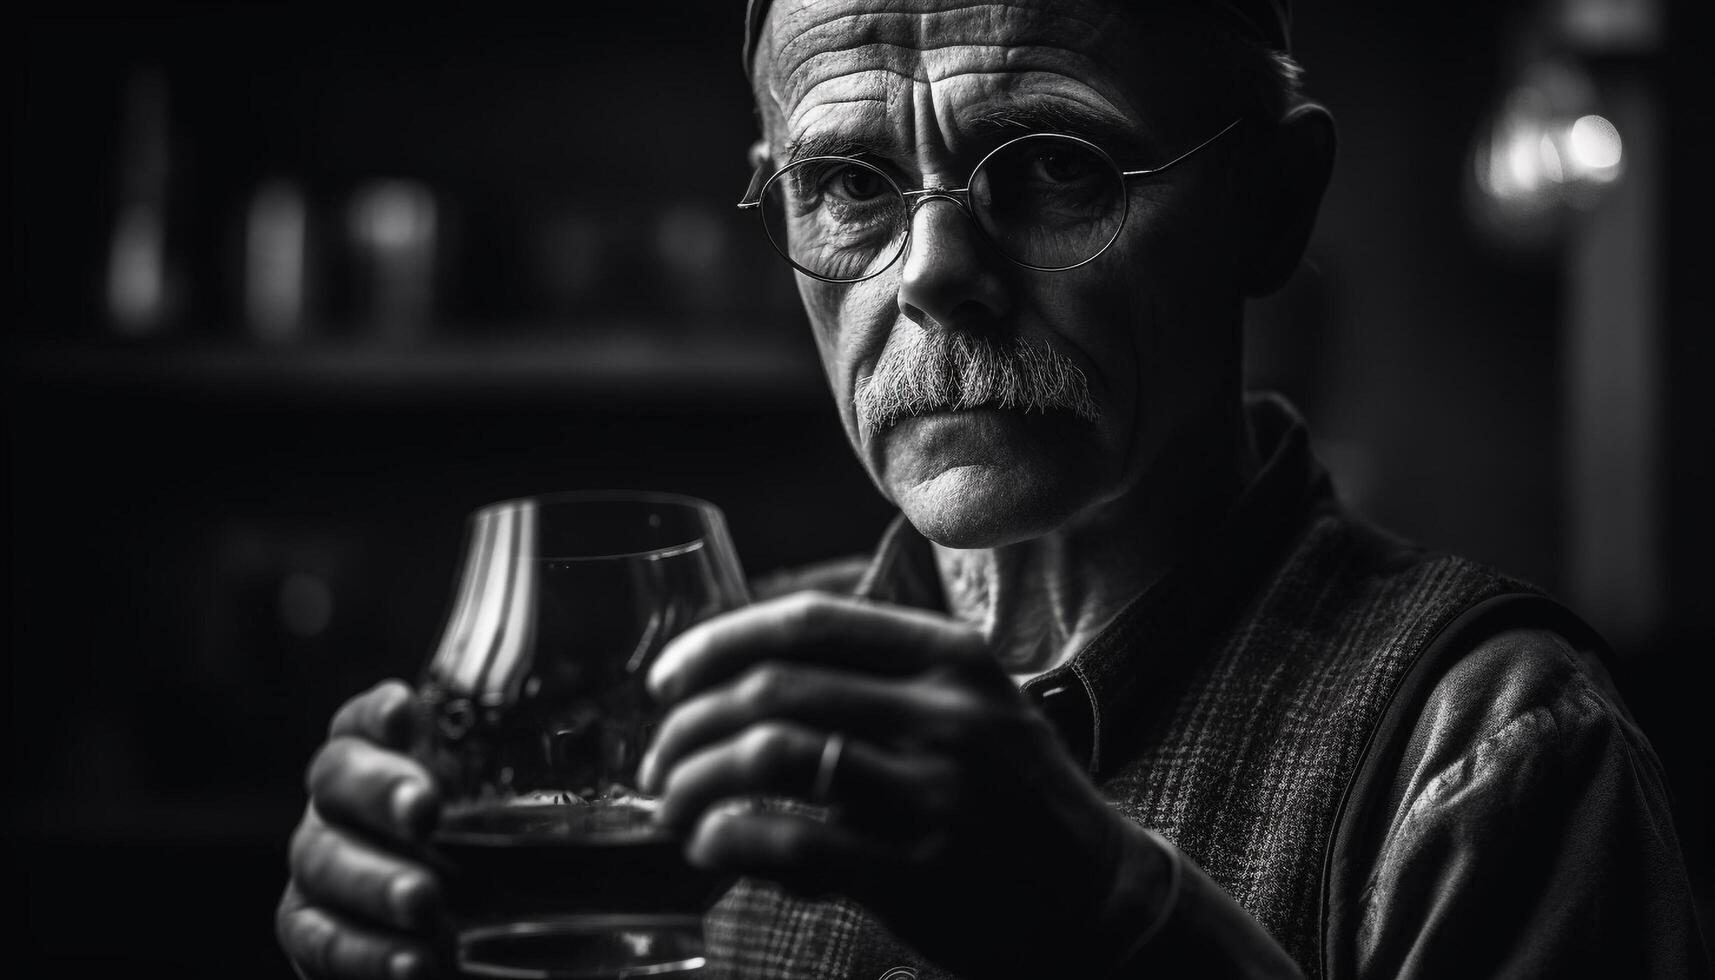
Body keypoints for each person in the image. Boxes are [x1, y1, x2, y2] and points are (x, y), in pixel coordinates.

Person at [277, 1, 1710, 977]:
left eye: (1052, 165)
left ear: (1275, 207)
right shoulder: (705, 708)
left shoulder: (1492, 755)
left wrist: (1105, 927)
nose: (935, 273)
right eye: (845, 182)